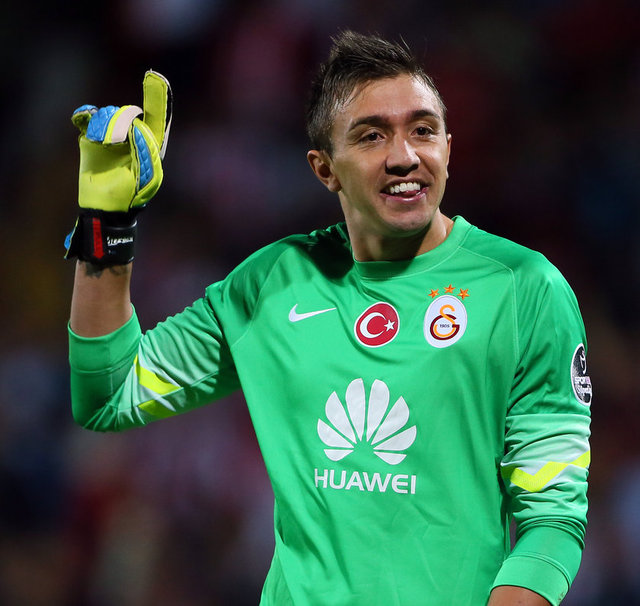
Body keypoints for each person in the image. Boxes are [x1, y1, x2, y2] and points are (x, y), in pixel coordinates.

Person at [65, 31, 592, 606]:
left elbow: (552, 520)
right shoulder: (273, 284)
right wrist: (106, 227)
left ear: (448, 146)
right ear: (324, 169)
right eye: (372, 136)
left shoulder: (523, 288)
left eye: (423, 130)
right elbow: (109, 394)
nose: (405, 156)